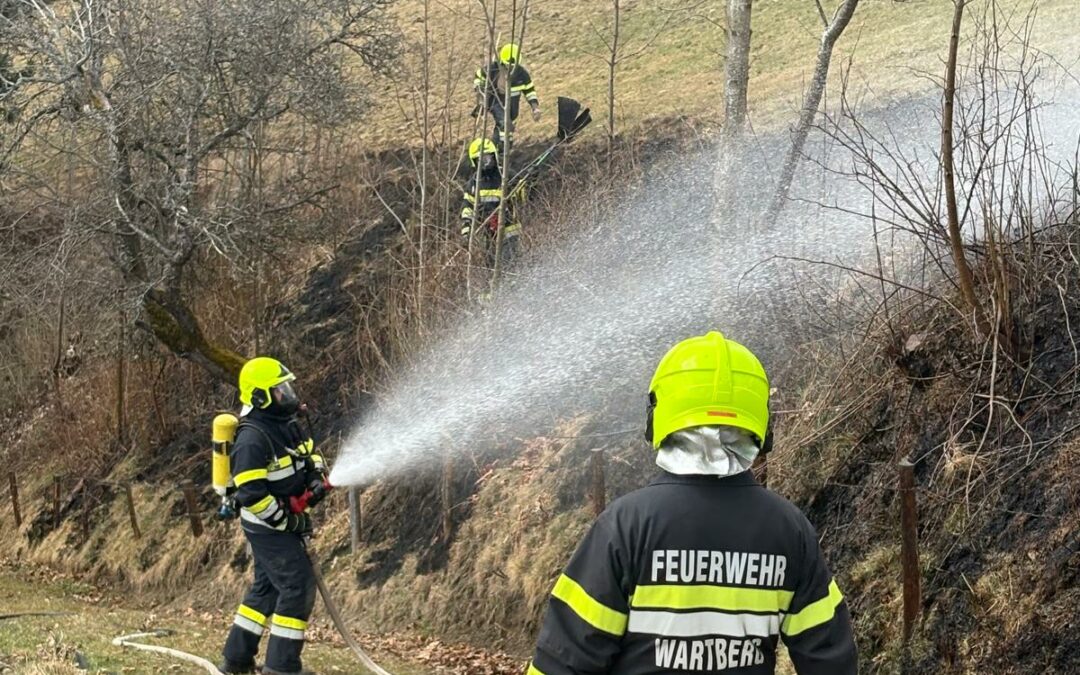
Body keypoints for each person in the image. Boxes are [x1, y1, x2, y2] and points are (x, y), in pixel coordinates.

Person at [527, 331, 858, 674]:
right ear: (761, 421)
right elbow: (832, 662)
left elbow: (563, 660)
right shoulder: (791, 531)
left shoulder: (625, 526)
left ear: (659, 413)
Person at [219, 357, 331, 675]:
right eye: (280, 390)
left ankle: (236, 660)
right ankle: (282, 667)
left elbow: (310, 454)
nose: (288, 394)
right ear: (260, 397)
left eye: (286, 387)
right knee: (297, 585)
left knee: (266, 587)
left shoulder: (286, 424)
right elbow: (252, 495)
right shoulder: (252, 439)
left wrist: (314, 476)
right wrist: (288, 520)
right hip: (266, 526)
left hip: (282, 521)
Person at [461, 136, 522, 266]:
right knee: (491, 266)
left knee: (509, 264)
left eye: (488, 158)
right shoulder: (474, 184)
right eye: (482, 160)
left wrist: (531, 181)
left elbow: (523, 196)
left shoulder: (506, 176)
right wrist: (467, 230)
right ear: (474, 162)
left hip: (510, 231)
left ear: (494, 156)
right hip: (488, 234)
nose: (486, 163)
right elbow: (468, 207)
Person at [473, 43, 540, 152]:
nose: (511, 68)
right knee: (505, 123)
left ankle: (494, 149)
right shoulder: (493, 69)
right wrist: (480, 89)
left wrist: (535, 108)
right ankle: (504, 149)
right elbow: (478, 75)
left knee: (504, 126)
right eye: (509, 65)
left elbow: (530, 91)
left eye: (514, 66)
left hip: (512, 107)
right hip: (495, 102)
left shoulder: (522, 74)